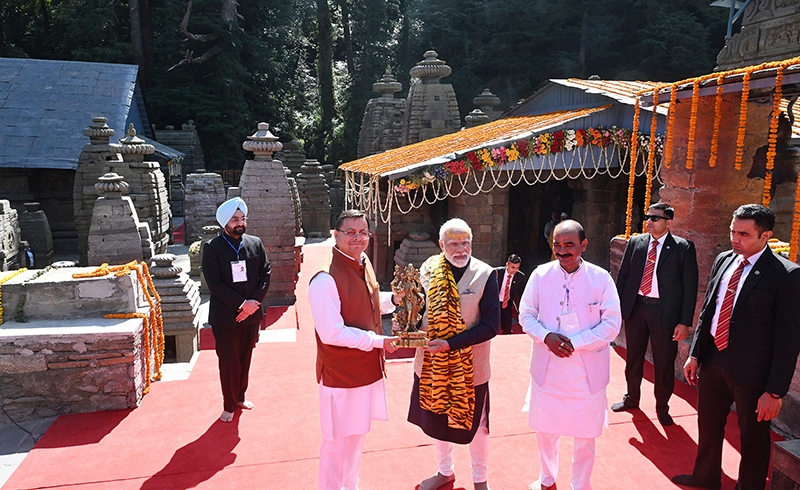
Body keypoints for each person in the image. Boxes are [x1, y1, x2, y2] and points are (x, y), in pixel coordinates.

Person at [672, 204, 800, 490]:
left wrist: (775, 391)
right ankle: (705, 477)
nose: (735, 238)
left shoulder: (785, 274)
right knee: (708, 424)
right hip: (714, 359)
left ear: (765, 235)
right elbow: (709, 310)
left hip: (754, 372)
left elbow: (789, 339)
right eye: (733, 231)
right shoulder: (724, 260)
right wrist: (695, 353)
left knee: (752, 437)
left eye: (744, 234)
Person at [519, 219, 621, 490]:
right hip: (548, 366)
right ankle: (547, 478)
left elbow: (612, 325)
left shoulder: (601, 279)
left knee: (585, 435)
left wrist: (578, 342)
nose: (562, 251)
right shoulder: (540, 275)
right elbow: (525, 315)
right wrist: (546, 337)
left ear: (583, 245)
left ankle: (581, 485)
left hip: (586, 370)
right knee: (546, 430)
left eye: (569, 245)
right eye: (557, 245)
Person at [308, 209, 401, 490]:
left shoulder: (362, 262)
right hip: (341, 373)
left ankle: (351, 486)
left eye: (363, 232)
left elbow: (368, 299)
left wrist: (395, 299)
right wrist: (377, 341)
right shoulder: (325, 278)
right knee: (336, 443)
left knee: (357, 437)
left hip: (366, 370)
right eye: (351, 232)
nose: (358, 238)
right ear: (335, 235)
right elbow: (331, 332)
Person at [408, 218, 501, 490]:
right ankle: (445, 471)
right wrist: (407, 325)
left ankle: (480, 480)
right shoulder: (428, 270)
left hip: (472, 367)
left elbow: (491, 326)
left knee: (479, 426)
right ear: (441, 245)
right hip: (431, 364)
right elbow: (418, 310)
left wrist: (450, 344)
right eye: (453, 243)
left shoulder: (485, 274)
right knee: (438, 421)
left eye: (465, 243)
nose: (460, 249)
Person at [612, 202, 698, 426]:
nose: (649, 221)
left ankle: (662, 407)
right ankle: (631, 398)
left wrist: (684, 322)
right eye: (647, 217)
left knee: (663, 362)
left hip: (664, 312)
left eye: (655, 218)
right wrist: (617, 308)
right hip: (637, 307)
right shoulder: (636, 242)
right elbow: (623, 276)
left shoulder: (683, 248)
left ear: (668, 221)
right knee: (633, 358)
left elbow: (690, 289)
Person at [202, 197, 271, 423]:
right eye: (235, 219)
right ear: (225, 223)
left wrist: (253, 304)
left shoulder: (255, 243)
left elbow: (266, 274)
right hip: (226, 317)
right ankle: (229, 405)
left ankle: (240, 397)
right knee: (229, 362)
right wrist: (242, 304)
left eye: (242, 219)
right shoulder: (213, 248)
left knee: (245, 357)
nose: (240, 223)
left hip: (250, 315)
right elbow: (215, 284)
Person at [495, 254, 527, 334]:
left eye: (517, 268)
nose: (515, 270)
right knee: (491, 328)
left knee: (507, 330)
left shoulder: (520, 277)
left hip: (507, 304)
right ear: (507, 265)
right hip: (494, 303)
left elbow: (522, 294)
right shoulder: (497, 273)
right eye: (513, 267)